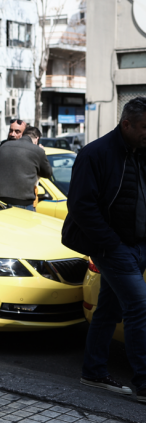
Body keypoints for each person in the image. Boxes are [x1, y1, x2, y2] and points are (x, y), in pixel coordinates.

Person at [64, 97, 146, 400]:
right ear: (126, 124)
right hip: (113, 247)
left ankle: (94, 372)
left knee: (109, 309)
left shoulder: (140, 152)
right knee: (139, 307)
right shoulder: (95, 154)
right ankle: (144, 382)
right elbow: (81, 206)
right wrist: (110, 244)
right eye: (143, 127)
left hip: (137, 246)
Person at [0, 126, 51, 211]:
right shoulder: (37, 150)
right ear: (37, 139)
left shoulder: (4, 146)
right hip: (22, 203)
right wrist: (42, 152)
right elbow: (48, 173)